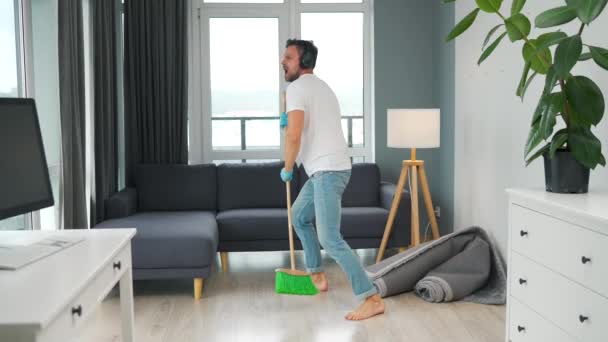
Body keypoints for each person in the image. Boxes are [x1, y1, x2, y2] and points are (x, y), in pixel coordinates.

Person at [279, 39, 385, 321]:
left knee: (330, 237)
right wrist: (285, 117)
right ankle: (317, 275)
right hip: (326, 169)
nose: (283, 61)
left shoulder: (297, 88)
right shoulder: (321, 87)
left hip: (327, 171)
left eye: (288, 57)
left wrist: (288, 166)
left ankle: (370, 297)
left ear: (302, 61)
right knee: (299, 216)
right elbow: (305, 126)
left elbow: (295, 134)